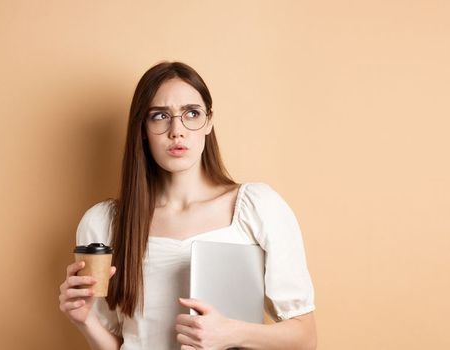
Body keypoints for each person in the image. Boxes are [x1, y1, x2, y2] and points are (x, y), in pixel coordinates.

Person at [58, 61, 317, 349]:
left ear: (208, 122)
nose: (176, 131)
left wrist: (233, 333)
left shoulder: (258, 207)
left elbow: (305, 338)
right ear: (142, 128)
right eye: (159, 116)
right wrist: (85, 320)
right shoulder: (104, 224)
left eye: (191, 113)